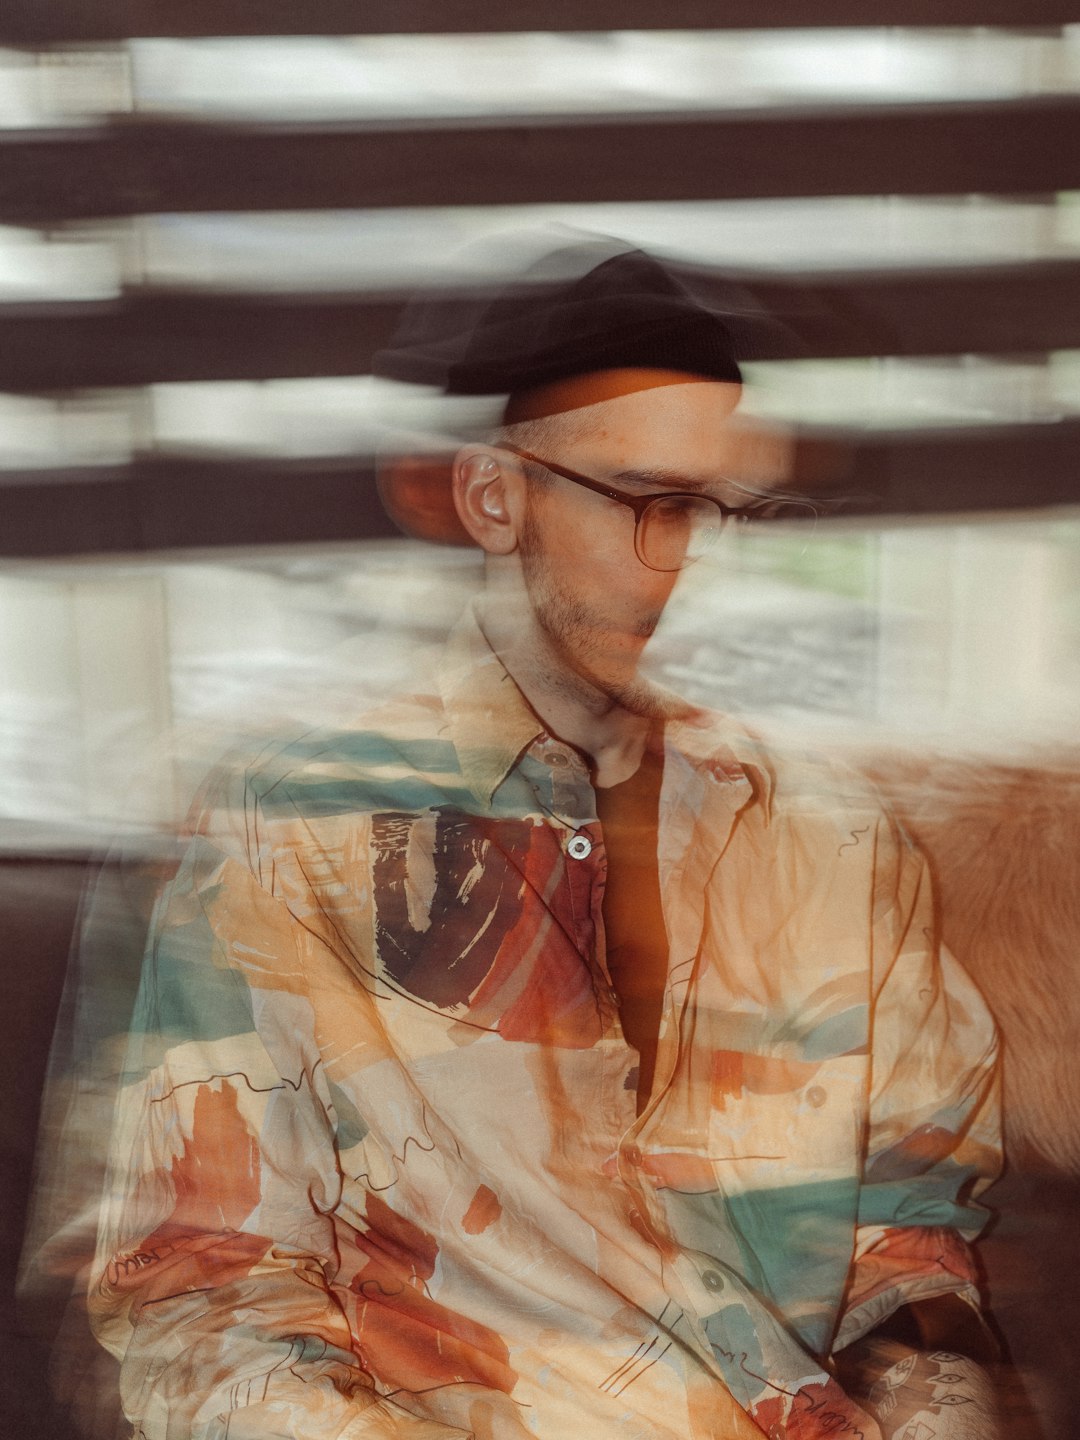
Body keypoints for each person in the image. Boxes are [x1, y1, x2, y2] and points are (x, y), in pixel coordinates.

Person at [87, 243, 1003, 1440]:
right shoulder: (287, 831)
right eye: (648, 504)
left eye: (718, 511)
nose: (685, 566)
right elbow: (204, 1301)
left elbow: (912, 1243)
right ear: (491, 496)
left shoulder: (835, 841)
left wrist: (945, 1403)